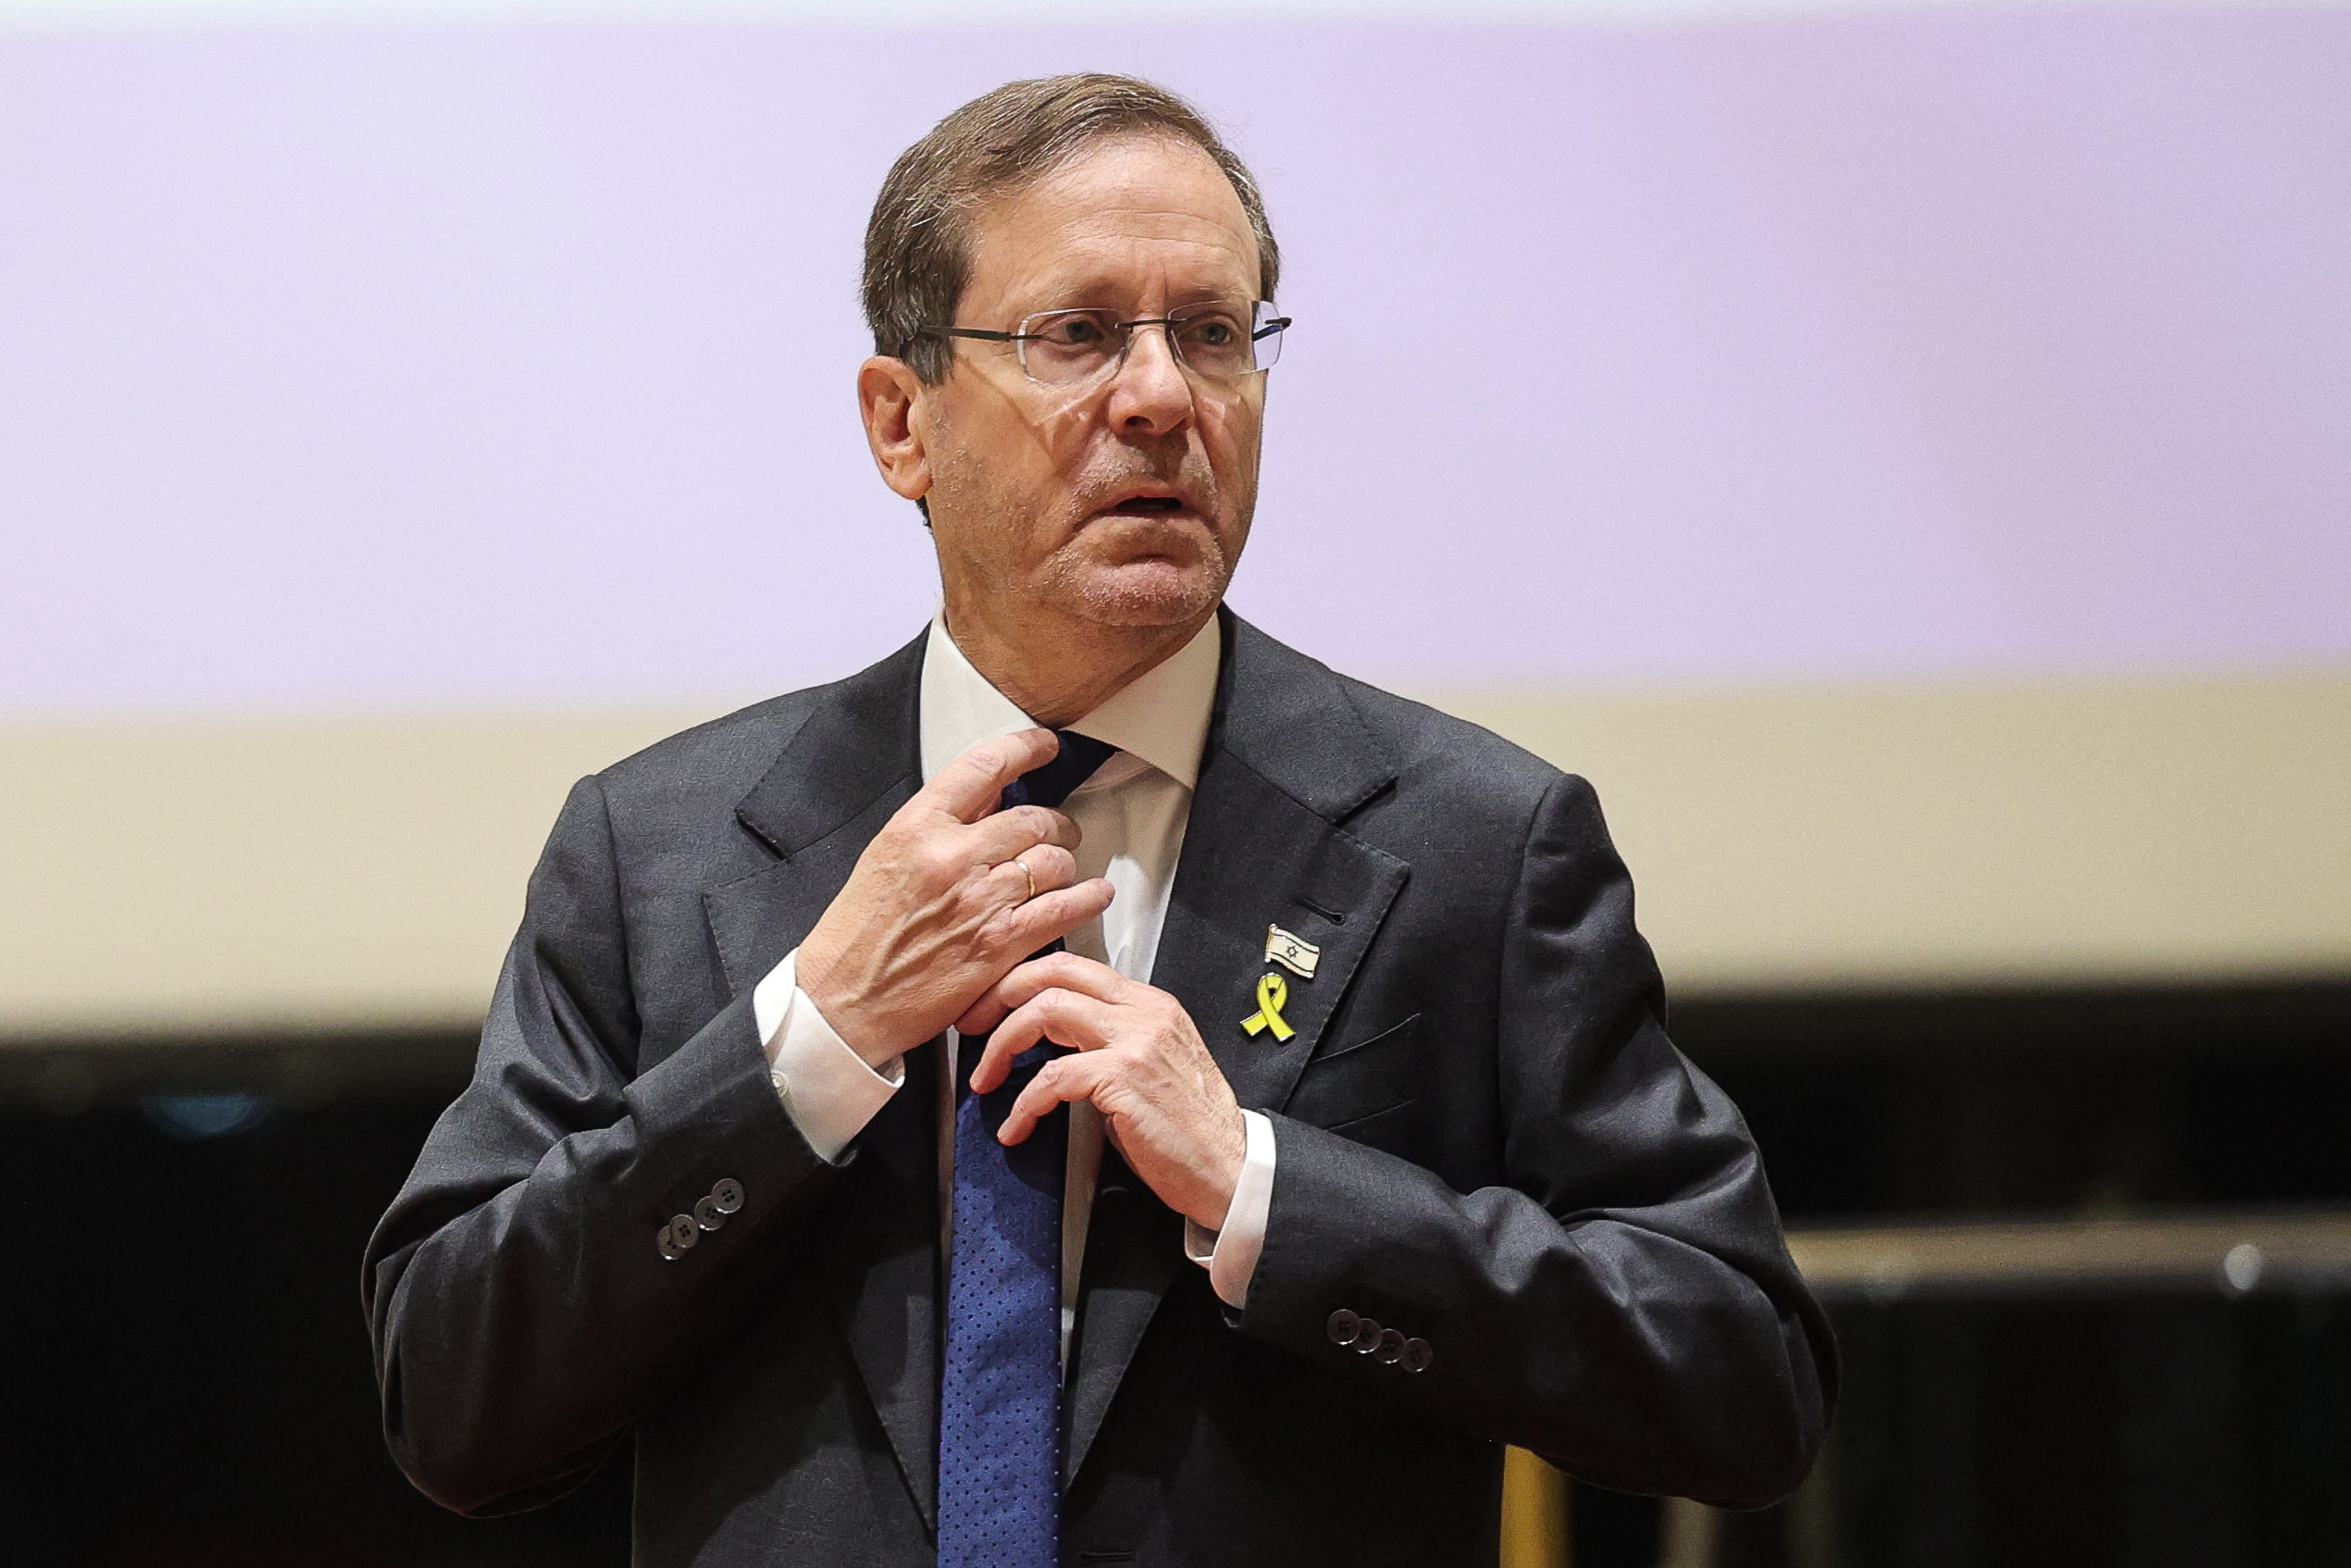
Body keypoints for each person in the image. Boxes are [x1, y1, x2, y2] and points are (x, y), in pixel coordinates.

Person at [365, 72, 1835, 1568]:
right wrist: (810, 1042)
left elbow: (1739, 1371)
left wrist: (1265, 1186)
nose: (1161, 398)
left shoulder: (1477, 843)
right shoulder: (658, 849)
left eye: (1213, 335)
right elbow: (452, 1394)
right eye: (1076, 334)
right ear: (901, 423)